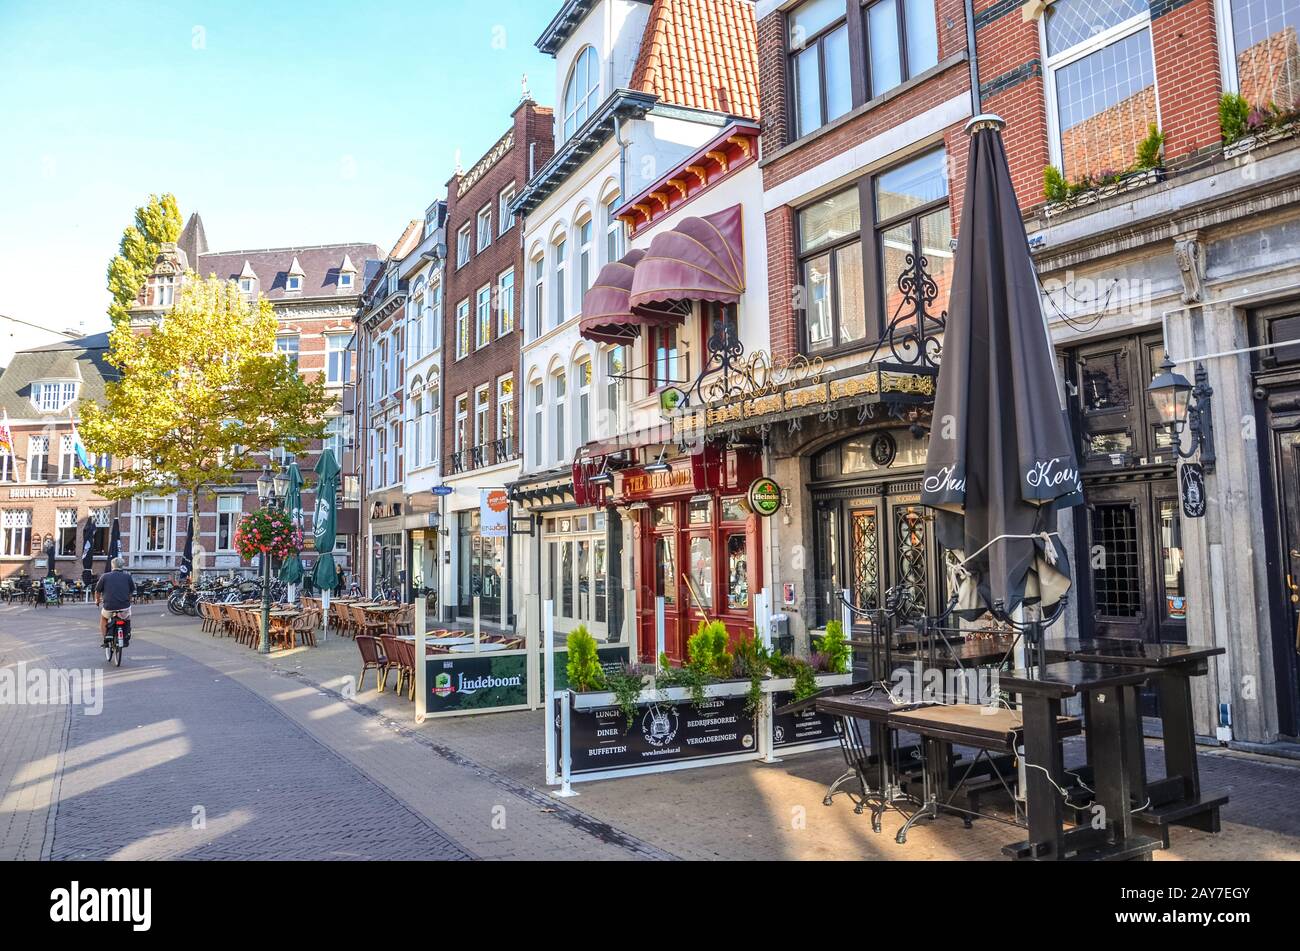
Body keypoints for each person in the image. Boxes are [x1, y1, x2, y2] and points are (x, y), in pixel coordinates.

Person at [95, 556, 136, 642]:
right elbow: (131, 591)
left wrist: (97, 600)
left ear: (112, 566)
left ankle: (105, 639)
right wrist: (129, 599)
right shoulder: (127, 576)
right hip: (124, 606)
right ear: (122, 566)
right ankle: (127, 632)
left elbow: (97, 591)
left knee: (104, 618)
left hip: (109, 606)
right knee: (127, 617)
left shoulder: (104, 576)